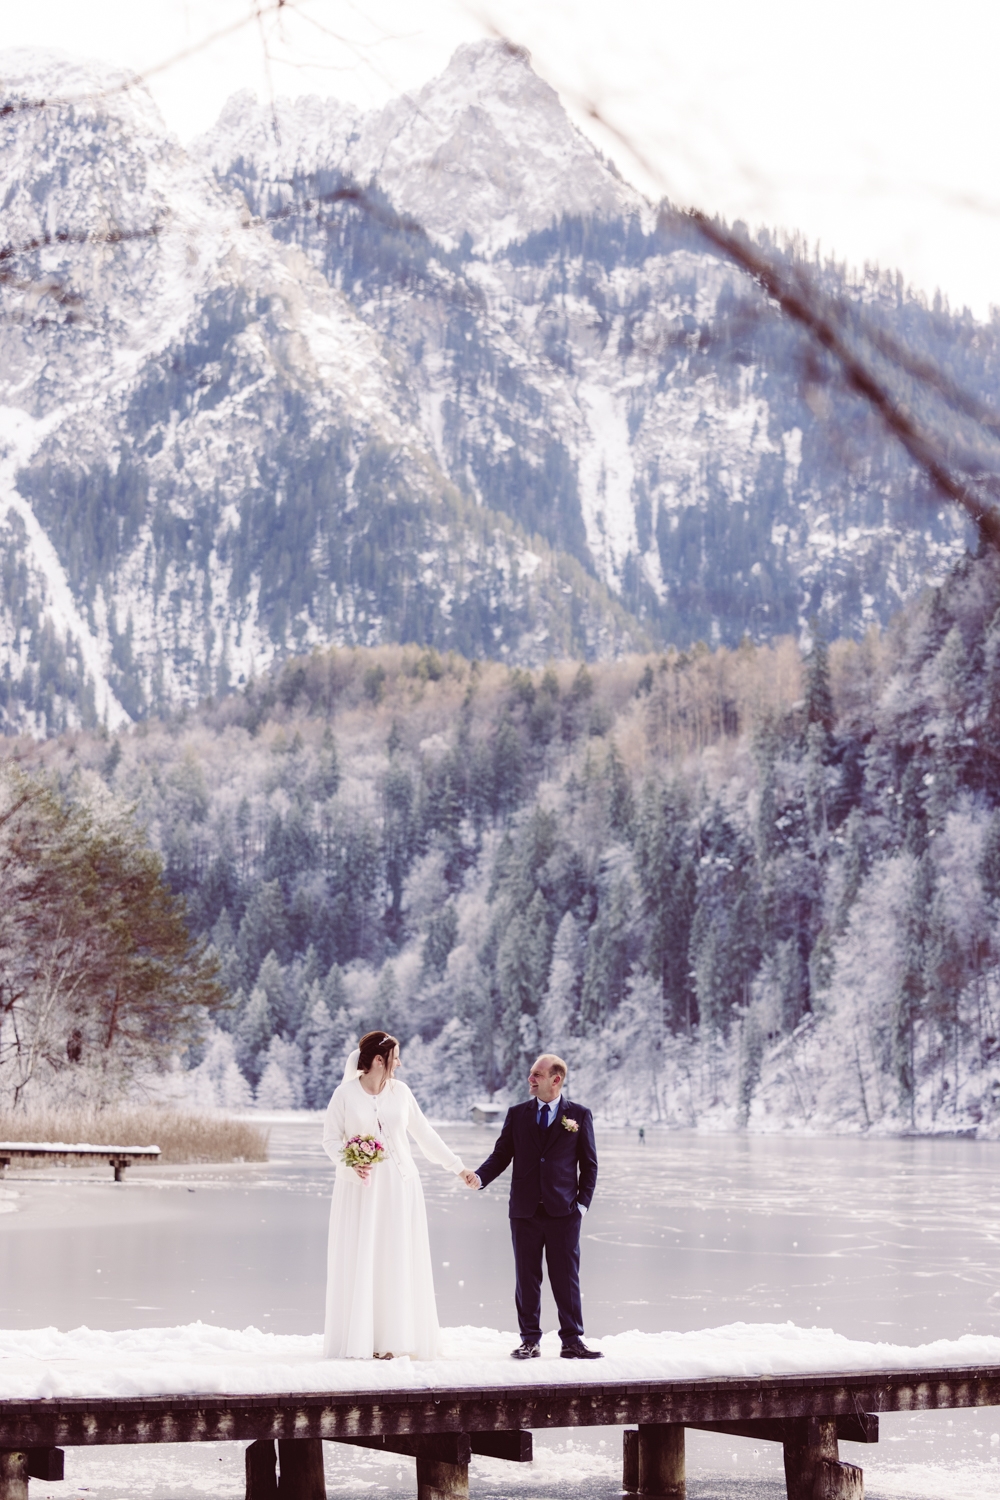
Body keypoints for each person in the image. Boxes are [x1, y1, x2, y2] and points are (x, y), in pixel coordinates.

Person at [322, 1030, 473, 1360]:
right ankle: (364, 1340)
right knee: (365, 1256)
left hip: (401, 1188)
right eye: (395, 1057)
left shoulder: (401, 1093)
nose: (399, 1062)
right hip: (360, 1191)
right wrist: (351, 1163)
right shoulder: (344, 1095)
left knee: (396, 1257)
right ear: (379, 1060)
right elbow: (330, 1140)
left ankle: (394, 1340)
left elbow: (425, 1135)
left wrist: (458, 1167)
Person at [464, 1053, 602, 1360]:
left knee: (566, 1278)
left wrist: (581, 1206)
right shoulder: (517, 1114)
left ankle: (572, 1341)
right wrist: (480, 1177)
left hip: (564, 1212)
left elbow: (589, 1166)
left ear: (556, 1080)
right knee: (527, 1279)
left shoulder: (579, 1114)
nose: (530, 1079)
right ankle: (530, 1340)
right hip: (524, 1212)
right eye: (531, 1074)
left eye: (537, 1075)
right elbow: (501, 1155)